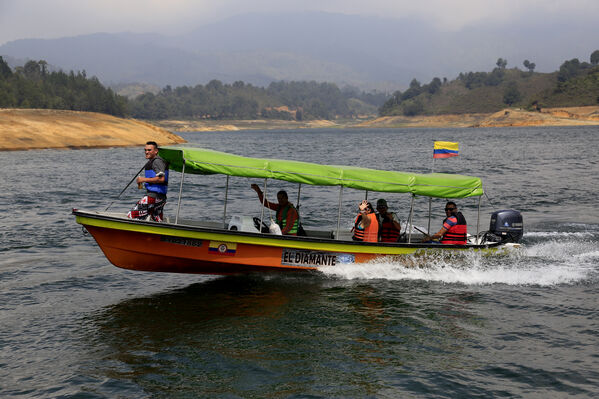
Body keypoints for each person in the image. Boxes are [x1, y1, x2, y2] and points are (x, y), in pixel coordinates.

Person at [127, 141, 169, 222]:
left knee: (131, 215)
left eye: (149, 150)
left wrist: (143, 179)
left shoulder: (157, 161)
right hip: (160, 197)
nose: (146, 152)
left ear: (156, 151)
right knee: (157, 220)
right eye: (145, 150)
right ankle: (157, 234)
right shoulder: (153, 161)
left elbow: (161, 179)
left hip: (153, 197)